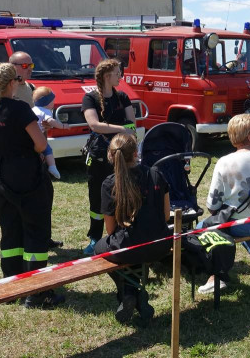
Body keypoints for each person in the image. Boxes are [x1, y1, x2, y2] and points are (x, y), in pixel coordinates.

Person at [0, 62, 62, 309]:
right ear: (11, 83)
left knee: (10, 233)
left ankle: (11, 288)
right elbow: (39, 145)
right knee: (36, 234)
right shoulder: (21, 109)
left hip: (2, 179)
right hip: (28, 177)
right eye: (18, 78)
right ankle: (36, 293)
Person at [95, 134, 172, 321]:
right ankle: (134, 294)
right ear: (136, 152)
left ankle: (128, 292)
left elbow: (111, 230)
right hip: (159, 245)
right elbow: (166, 215)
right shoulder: (155, 174)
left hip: (128, 247)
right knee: (135, 244)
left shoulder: (109, 184)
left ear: (111, 155)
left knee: (99, 249)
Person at [199, 114, 250, 293]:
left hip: (242, 226)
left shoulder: (224, 162)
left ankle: (215, 276)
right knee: (244, 217)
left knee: (202, 226)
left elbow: (212, 206)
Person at [81, 59, 136, 255]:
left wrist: (124, 131)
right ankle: (95, 237)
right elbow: (94, 125)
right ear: (106, 76)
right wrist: (121, 130)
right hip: (99, 155)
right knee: (96, 199)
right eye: (117, 72)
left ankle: (122, 233)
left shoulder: (122, 97)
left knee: (123, 193)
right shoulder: (90, 99)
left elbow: (132, 125)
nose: (120, 76)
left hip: (123, 154)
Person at [31, 86, 63, 180]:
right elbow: (50, 121)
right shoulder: (46, 111)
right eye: (52, 101)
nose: (53, 103)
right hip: (38, 138)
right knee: (48, 150)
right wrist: (62, 126)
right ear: (47, 102)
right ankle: (52, 166)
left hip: (29, 137)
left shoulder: (33, 109)